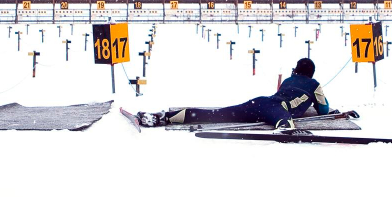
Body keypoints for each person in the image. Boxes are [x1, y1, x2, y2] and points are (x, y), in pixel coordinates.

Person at [138, 57, 329, 129]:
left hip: (261, 102)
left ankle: (165, 117)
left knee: (218, 114)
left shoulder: (288, 80)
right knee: (285, 125)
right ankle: (285, 128)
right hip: (277, 110)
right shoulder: (315, 84)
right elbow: (323, 110)